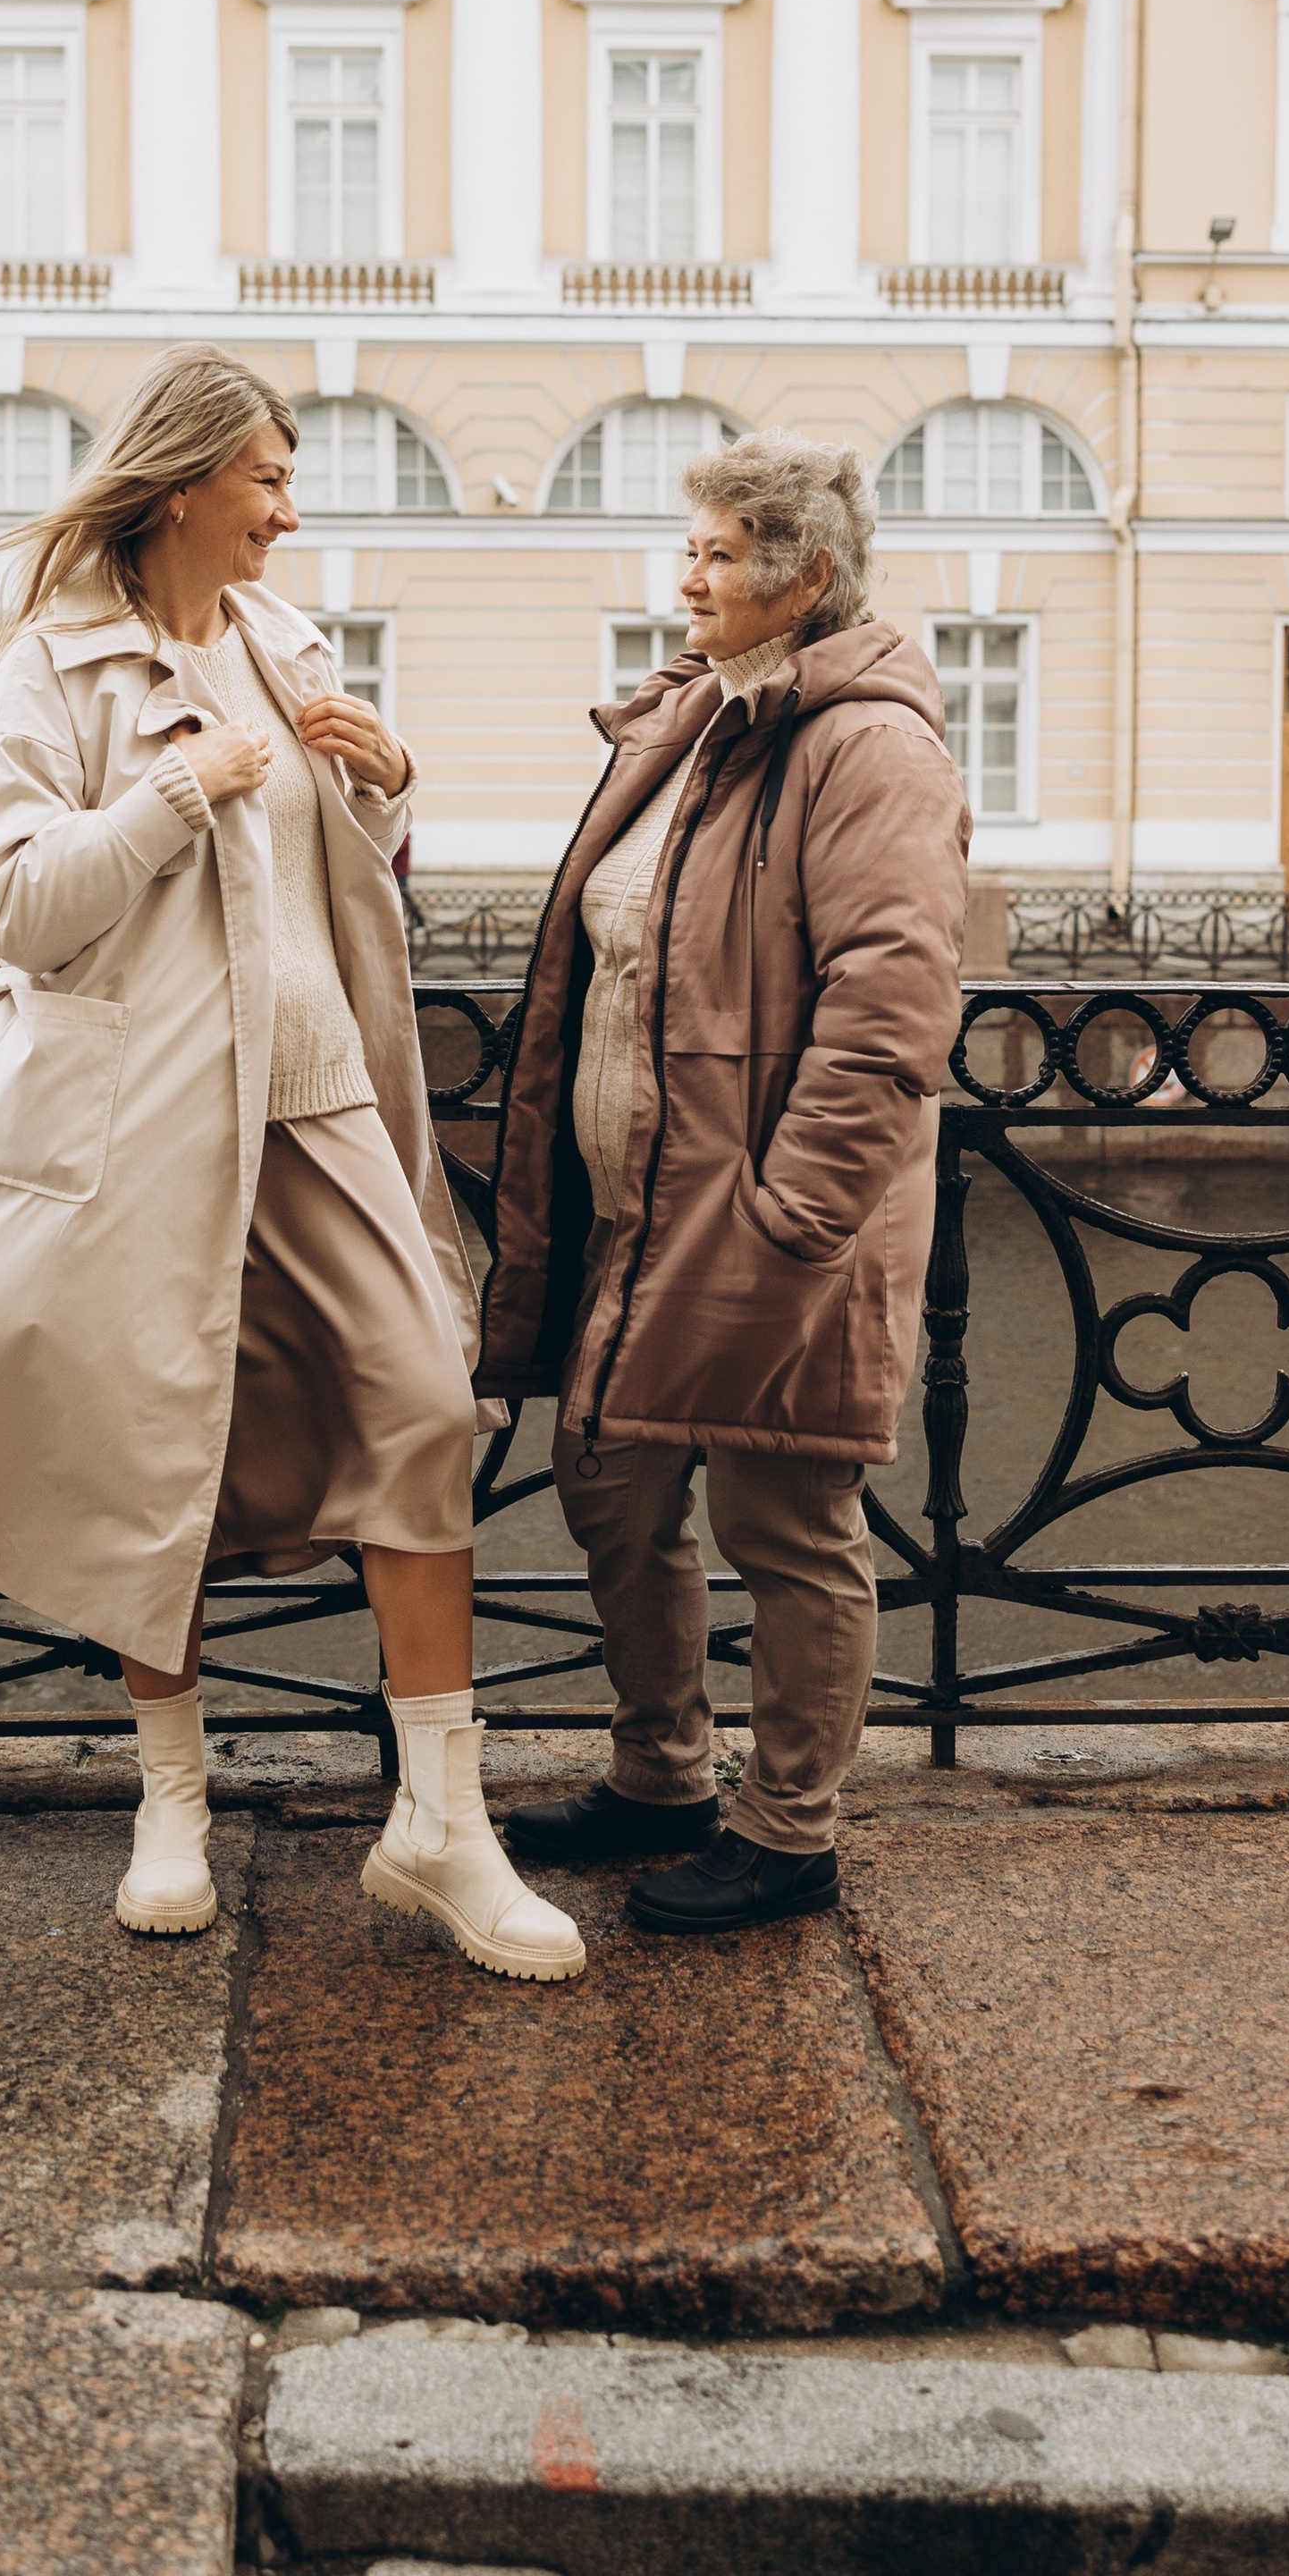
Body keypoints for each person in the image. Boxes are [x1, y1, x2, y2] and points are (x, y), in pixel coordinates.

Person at [0, 343, 583, 1986]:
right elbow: (14, 912)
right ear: (182, 485)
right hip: (147, 1118)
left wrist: (388, 788)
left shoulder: (287, 646)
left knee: (425, 1408)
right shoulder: (50, 673)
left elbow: (318, 882)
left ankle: (441, 1822)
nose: (289, 516)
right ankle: (171, 1796)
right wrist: (166, 792)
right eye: (269, 483)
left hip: (320, 1097)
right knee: (163, 1441)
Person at [476, 435, 971, 1936]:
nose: (684, 575)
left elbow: (890, 1004)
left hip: (768, 1219)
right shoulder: (693, 722)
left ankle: (790, 1829)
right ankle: (660, 1776)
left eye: (714, 554)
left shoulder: (864, 745)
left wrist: (796, 1215)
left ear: (802, 577)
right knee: (612, 1491)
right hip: (635, 1202)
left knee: (788, 1523)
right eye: (685, 547)